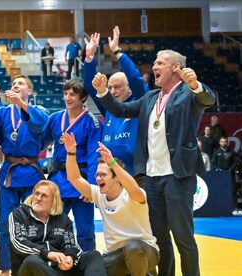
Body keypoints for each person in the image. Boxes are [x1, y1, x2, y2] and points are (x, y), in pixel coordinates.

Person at [92, 49, 216, 276]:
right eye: (154, 63)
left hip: (178, 175)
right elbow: (121, 110)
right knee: (159, 238)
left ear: (176, 68)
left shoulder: (188, 92)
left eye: (160, 63)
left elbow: (208, 99)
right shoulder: (150, 98)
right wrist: (102, 93)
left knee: (183, 237)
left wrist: (196, 84)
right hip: (150, 178)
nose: (154, 67)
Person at [0, 75, 48, 276]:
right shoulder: (2, 112)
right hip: (10, 171)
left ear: (30, 91)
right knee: (4, 223)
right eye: (14, 84)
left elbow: (40, 124)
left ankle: (33, 266)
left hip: (31, 173)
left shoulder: (39, 110)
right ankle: (6, 267)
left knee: (34, 222)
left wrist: (21, 104)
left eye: (21, 84)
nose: (16, 86)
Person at [63, 132, 159, 275]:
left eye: (103, 175)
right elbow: (74, 178)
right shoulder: (98, 194)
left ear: (117, 178)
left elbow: (133, 187)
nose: (98, 178)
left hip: (145, 251)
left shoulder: (133, 195)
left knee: (132, 248)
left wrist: (112, 163)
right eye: (97, 175)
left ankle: (147, 271)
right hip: (114, 256)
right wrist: (71, 153)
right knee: (88, 265)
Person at [43, 78, 102, 252]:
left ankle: (88, 264)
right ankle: (56, 263)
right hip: (58, 180)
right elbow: (41, 143)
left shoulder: (93, 122)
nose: (68, 98)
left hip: (81, 181)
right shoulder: (55, 118)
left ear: (82, 98)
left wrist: (91, 187)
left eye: (73, 94)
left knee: (85, 230)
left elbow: (94, 156)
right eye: (66, 94)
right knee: (55, 228)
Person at [84, 28, 148, 177]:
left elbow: (135, 79)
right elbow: (89, 84)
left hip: (136, 174)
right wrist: (89, 56)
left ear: (130, 89)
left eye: (117, 87)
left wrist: (117, 51)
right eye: (110, 87)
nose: (112, 91)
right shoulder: (109, 107)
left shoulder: (142, 102)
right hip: (110, 175)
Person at [9, 180, 106, 276]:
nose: (38, 198)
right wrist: (47, 254)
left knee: (93, 255)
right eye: (36, 194)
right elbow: (18, 243)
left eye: (44, 196)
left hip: (56, 270)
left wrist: (70, 257)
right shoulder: (19, 215)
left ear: (53, 201)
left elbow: (71, 244)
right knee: (32, 260)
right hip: (29, 269)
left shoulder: (63, 219)